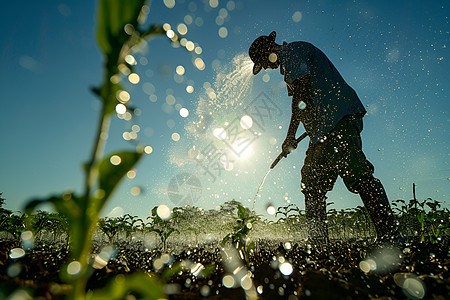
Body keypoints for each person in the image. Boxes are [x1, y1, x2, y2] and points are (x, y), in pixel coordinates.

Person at [249, 31, 399, 245]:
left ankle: (390, 237)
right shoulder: (288, 62)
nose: (267, 67)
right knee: (312, 182)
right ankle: (318, 243)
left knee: (359, 176)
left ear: (268, 51)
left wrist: (290, 136)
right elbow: (306, 100)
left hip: (338, 122)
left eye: (264, 62)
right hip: (323, 131)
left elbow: (301, 96)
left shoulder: (292, 52)